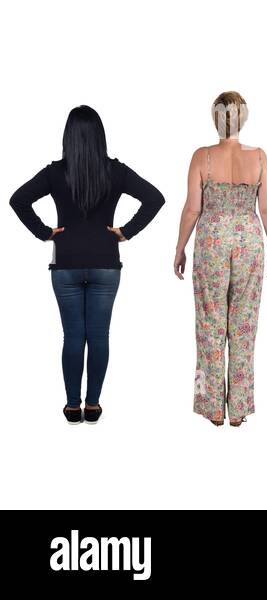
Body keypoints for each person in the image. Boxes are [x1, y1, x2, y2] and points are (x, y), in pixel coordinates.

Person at [9, 105, 165, 424]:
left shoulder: (55, 172)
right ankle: (92, 405)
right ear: (99, 136)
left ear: (68, 136)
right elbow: (154, 198)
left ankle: (71, 405)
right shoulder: (116, 171)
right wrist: (125, 232)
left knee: (72, 336)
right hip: (106, 264)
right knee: (99, 336)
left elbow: (18, 199)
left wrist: (45, 233)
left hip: (65, 263)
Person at [173, 91, 267, 427]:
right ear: (243, 118)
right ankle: (239, 410)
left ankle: (212, 408)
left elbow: (193, 208)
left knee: (209, 325)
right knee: (244, 327)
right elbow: (266, 207)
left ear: (214, 118)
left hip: (211, 242)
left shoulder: (202, 157)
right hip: (249, 240)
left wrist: (179, 247)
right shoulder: (260, 157)